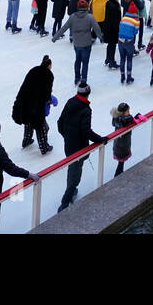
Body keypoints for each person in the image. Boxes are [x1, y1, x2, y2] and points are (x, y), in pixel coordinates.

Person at [56, 83, 108, 212]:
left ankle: (72, 190)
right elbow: (86, 131)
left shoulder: (70, 102)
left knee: (74, 169)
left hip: (69, 145)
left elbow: (59, 123)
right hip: (79, 148)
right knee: (75, 172)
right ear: (88, 93)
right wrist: (100, 139)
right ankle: (65, 202)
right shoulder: (86, 109)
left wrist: (67, 137)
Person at [12, 56, 56, 154]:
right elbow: (46, 94)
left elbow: (24, 86)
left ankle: (26, 141)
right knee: (41, 126)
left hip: (24, 101)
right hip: (36, 105)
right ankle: (44, 147)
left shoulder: (33, 70)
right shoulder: (48, 75)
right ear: (49, 66)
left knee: (28, 122)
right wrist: (51, 101)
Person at [53, 0, 101, 86]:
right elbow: (97, 28)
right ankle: (84, 79)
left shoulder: (73, 17)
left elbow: (64, 27)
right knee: (85, 62)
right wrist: (101, 37)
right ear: (86, 7)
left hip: (77, 43)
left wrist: (55, 37)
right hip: (86, 43)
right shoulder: (90, 17)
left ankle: (77, 78)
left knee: (78, 60)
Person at [110, 103, 141, 176]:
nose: (129, 112)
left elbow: (129, 121)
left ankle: (118, 175)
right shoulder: (123, 121)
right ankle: (117, 176)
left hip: (120, 144)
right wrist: (134, 118)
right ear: (123, 113)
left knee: (121, 163)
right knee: (121, 164)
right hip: (122, 146)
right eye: (128, 111)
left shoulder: (119, 119)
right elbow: (127, 121)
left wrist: (135, 118)